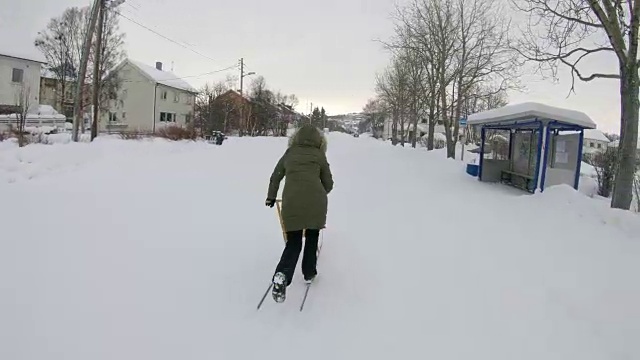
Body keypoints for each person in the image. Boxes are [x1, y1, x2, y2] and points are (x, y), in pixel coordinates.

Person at [265, 123, 334, 302]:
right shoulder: (319, 155)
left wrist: (271, 197)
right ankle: (309, 273)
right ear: (319, 141)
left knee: (293, 242)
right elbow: (329, 183)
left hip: (292, 202)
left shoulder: (290, 153)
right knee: (312, 237)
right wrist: (318, 192)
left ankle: (282, 274)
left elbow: (276, 175)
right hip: (316, 203)